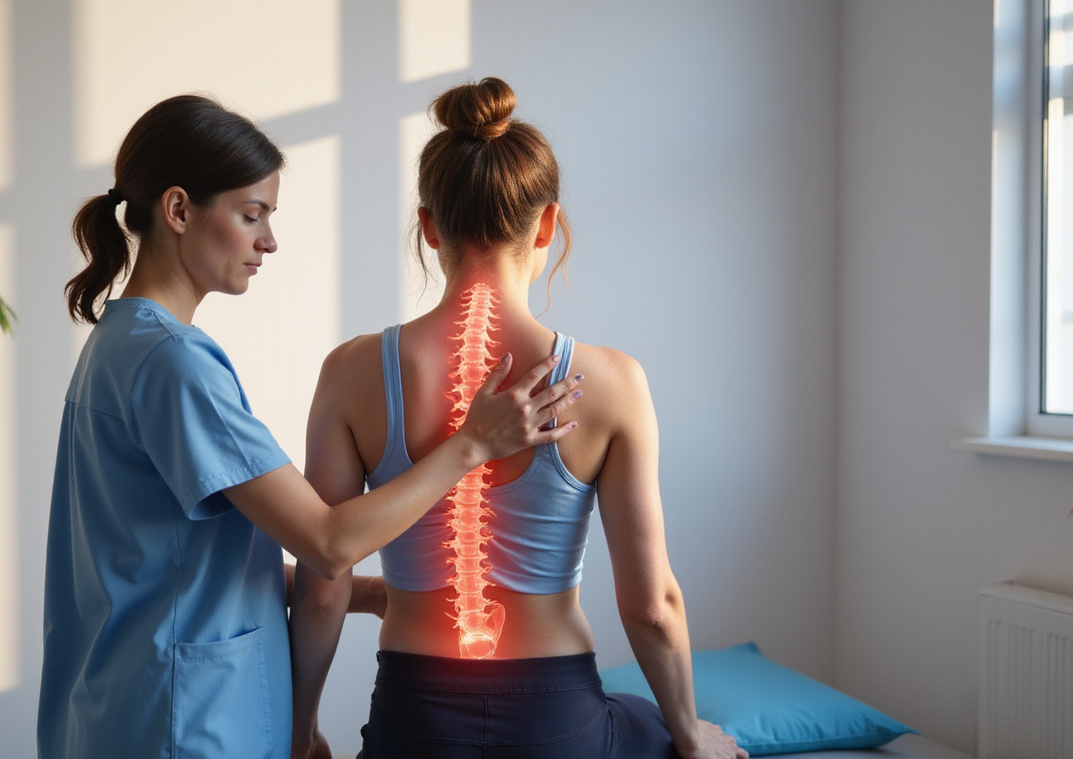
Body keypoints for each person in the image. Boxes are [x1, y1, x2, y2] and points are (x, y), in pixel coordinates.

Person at [37, 93, 583, 759]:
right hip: (188, 725)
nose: (268, 240)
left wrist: (376, 594)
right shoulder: (173, 364)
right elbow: (327, 540)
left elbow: (185, 563)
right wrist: (471, 444)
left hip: (121, 710)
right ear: (179, 210)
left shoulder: (120, 345)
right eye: (250, 215)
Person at [290, 78, 747, 759]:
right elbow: (652, 607)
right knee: (660, 730)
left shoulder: (352, 372)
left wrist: (301, 735)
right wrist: (690, 736)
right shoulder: (614, 383)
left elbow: (320, 591)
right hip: (556, 719)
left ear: (429, 226)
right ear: (547, 224)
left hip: (415, 719)